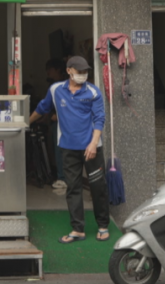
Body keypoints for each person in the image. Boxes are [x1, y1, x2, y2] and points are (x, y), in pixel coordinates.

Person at [28, 56, 109, 243]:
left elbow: (99, 119)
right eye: (79, 71)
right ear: (69, 71)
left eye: (85, 72)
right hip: (68, 148)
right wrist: (26, 123)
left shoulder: (93, 92)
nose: (83, 75)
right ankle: (77, 229)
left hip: (92, 148)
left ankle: (103, 225)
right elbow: (43, 108)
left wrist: (93, 143)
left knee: (98, 187)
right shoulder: (56, 90)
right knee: (73, 188)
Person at [44, 57, 67, 190]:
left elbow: (68, 104)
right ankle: (60, 176)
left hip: (61, 123)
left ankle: (62, 178)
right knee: (56, 150)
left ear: (58, 70)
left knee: (60, 151)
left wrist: (58, 116)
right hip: (53, 122)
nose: (47, 73)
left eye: (50, 70)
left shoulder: (64, 85)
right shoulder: (52, 85)